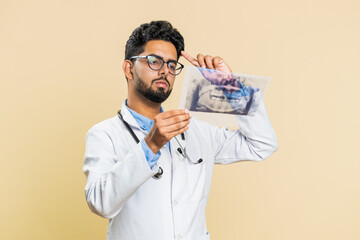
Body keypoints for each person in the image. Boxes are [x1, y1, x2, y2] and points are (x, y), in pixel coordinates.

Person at [83, 20, 278, 240]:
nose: (165, 71)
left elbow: (262, 144)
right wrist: (151, 145)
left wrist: (229, 86)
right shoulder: (104, 134)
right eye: (154, 61)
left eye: (172, 64)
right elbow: (100, 203)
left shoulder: (195, 130)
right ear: (129, 68)